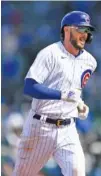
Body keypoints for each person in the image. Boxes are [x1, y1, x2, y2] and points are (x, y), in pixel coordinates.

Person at [12, 11, 97, 176]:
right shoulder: (50, 54)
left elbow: (74, 91)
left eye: (87, 31)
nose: (84, 35)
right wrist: (61, 95)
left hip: (68, 129)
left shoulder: (90, 62)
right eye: (80, 29)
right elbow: (29, 87)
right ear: (66, 30)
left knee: (77, 172)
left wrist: (79, 104)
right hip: (40, 127)